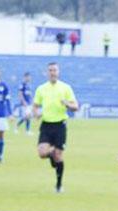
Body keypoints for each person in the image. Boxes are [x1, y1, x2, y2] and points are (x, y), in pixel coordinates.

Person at [33, 62, 78, 193]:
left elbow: (76, 107)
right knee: (42, 153)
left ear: (58, 72)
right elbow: (35, 106)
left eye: (55, 70)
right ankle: (53, 153)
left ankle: (58, 185)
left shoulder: (65, 88)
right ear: (47, 73)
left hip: (60, 125)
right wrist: (36, 113)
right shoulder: (41, 88)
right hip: (46, 124)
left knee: (58, 157)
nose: (53, 72)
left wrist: (67, 104)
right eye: (50, 70)